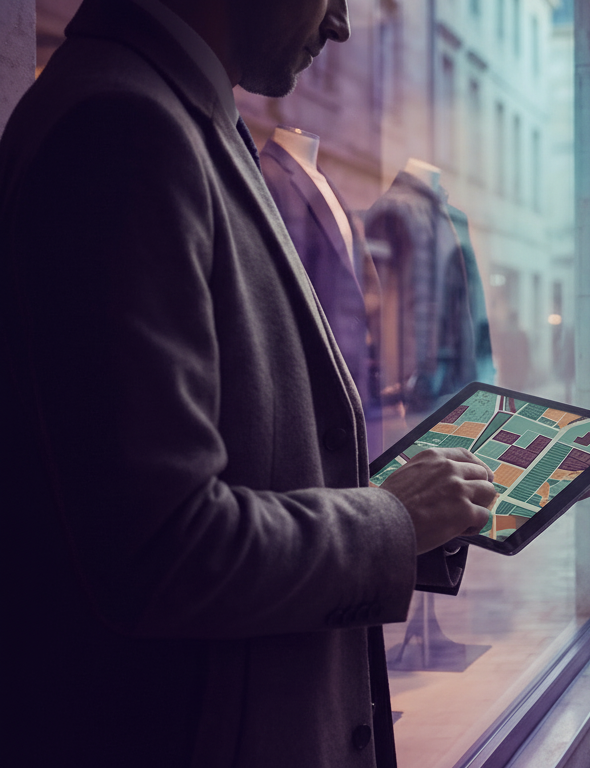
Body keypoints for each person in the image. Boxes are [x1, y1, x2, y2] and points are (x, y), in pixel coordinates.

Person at [0, 0, 497, 764]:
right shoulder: (122, 126)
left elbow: (256, 461)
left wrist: (423, 523)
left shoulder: (183, 114)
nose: (340, 25)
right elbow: (163, 548)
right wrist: (391, 521)